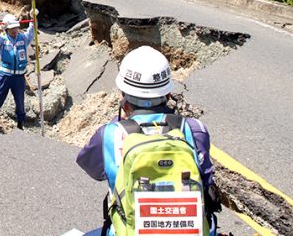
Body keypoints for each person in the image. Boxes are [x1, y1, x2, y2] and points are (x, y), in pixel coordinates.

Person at [76, 46, 221, 235]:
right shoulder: (195, 130)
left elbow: (93, 170)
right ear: (168, 94)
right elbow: (206, 178)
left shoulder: (109, 135)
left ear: (122, 95)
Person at [0, 13, 35, 131]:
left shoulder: (23, 38)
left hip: (19, 77)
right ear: (7, 28)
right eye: (11, 28)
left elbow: (31, 33)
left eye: (15, 27)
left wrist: (32, 19)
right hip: (5, 76)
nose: (14, 30)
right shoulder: (3, 40)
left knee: (20, 101)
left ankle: (20, 125)